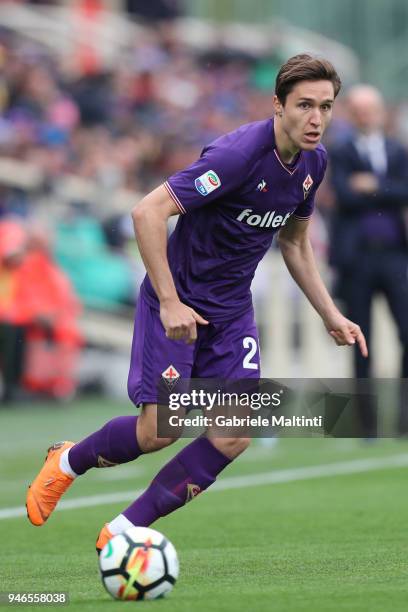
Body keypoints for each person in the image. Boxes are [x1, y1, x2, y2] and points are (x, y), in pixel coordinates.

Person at [26, 54, 367, 552]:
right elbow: (147, 212)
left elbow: (294, 242)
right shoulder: (237, 157)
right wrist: (168, 301)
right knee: (159, 432)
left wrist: (329, 313)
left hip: (230, 314)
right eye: (304, 106)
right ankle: (68, 462)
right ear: (277, 104)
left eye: (326, 107)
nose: (316, 119)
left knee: (234, 433)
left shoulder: (314, 163)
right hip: (177, 304)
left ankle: (123, 532)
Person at [329, 85, 408, 436]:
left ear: (380, 111)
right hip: (357, 257)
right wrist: (386, 188)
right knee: (361, 340)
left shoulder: (396, 149)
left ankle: (404, 420)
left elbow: (403, 191)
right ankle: (366, 425)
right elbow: (344, 195)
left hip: (394, 254)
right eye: (358, 109)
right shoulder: (341, 150)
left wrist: (371, 185)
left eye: (370, 109)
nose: (365, 115)